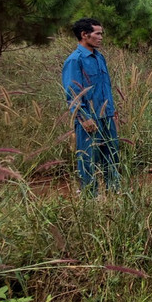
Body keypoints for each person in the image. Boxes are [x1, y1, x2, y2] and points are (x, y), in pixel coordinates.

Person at [62, 18, 121, 197]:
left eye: (101, 33)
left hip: (107, 116)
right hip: (89, 119)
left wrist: (112, 113)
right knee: (88, 158)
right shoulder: (75, 60)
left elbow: (105, 87)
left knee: (111, 156)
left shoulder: (99, 57)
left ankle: (113, 192)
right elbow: (72, 93)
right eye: (97, 33)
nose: (101, 37)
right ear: (84, 35)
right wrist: (84, 117)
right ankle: (90, 196)